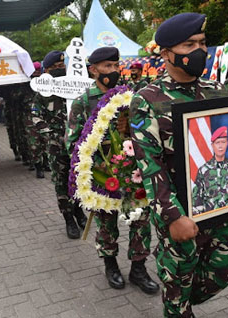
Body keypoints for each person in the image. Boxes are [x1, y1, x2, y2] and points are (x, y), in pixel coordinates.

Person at [129, 13, 228, 317]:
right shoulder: (147, 100)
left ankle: (181, 299)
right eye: (189, 44)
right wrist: (171, 217)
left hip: (220, 207)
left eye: (203, 43)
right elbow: (150, 164)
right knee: (178, 282)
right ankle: (177, 305)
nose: (199, 51)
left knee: (221, 270)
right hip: (179, 212)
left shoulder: (217, 90)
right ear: (166, 54)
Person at [67, 47, 159, 295]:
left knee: (141, 220)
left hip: (133, 172)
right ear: (93, 70)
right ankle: (111, 266)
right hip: (103, 176)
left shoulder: (133, 96)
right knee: (107, 225)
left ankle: (139, 269)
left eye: (116, 66)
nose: (114, 71)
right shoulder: (84, 102)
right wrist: (94, 169)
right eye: (107, 66)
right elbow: (72, 143)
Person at [31, 51, 87, 239]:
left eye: (61, 66)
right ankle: (68, 218)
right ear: (46, 70)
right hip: (56, 145)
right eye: (55, 68)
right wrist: (51, 135)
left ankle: (79, 210)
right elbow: (35, 116)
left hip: (78, 143)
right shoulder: (43, 93)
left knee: (80, 178)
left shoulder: (75, 87)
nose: (59, 70)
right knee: (61, 181)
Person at [192, 126, 228, 214]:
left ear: (227, 143)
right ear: (212, 145)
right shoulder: (204, 170)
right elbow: (196, 197)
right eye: (217, 143)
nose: (220, 146)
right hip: (209, 218)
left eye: (223, 142)